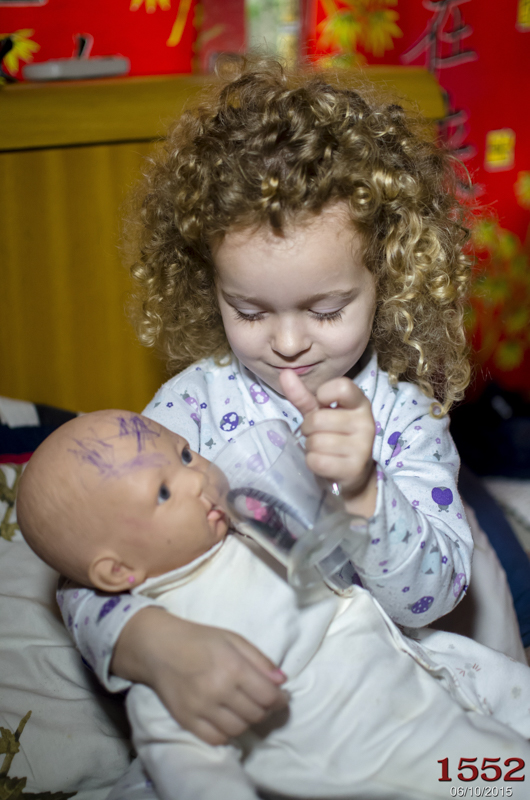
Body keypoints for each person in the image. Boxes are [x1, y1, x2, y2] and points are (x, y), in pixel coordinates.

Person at [53, 56, 521, 793]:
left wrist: (365, 493)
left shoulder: (404, 420)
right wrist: (151, 644)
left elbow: (430, 600)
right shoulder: (190, 409)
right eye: (249, 311)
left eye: (327, 310)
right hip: (242, 710)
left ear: (387, 278)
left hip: (385, 703)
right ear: (210, 285)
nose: (290, 342)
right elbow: (87, 559)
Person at [17, 410, 530, 800]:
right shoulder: (180, 640)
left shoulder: (235, 526)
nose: (196, 479)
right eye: (165, 493)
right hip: (376, 757)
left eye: (186, 454)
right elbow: (187, 764)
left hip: (417, 672)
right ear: (117, 571)